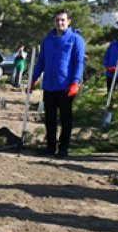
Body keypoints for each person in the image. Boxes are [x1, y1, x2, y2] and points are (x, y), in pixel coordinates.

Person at [31, 9, 85, 159]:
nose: (60, 23)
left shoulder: (76, 39)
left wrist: (75, 82)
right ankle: (50, 147)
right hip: (49, 85)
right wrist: (34, 78)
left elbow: (78, 62)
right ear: (53, 22)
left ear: (69, 21)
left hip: (66, 86)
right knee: (49, 118)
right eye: (57, 20)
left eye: (62, 20)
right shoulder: (47, 39)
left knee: (66, 118)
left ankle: (64, 147)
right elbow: (41, 60)